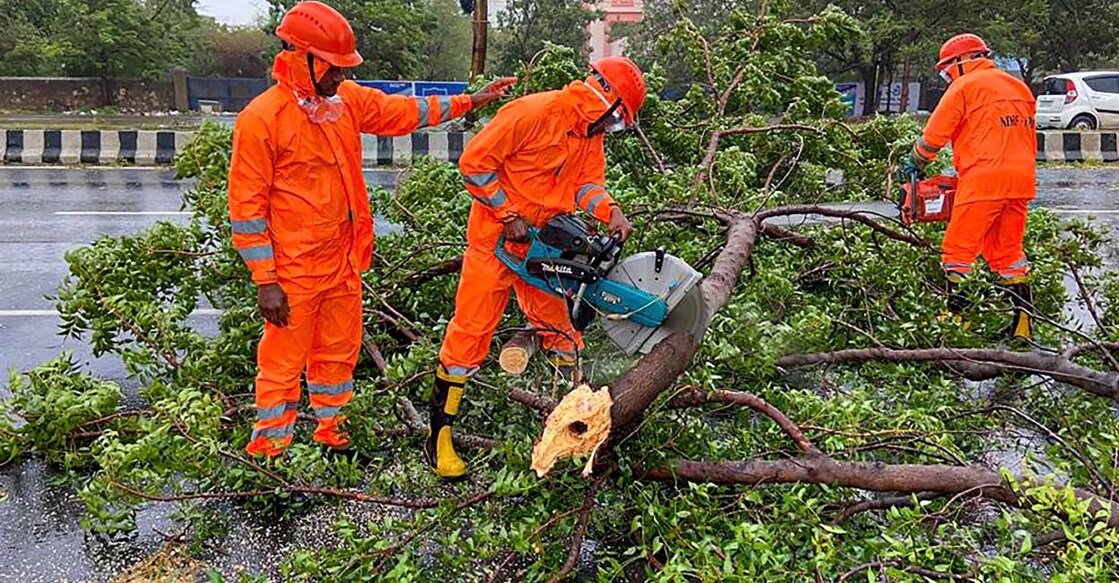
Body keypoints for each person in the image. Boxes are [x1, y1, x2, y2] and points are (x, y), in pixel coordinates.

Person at [228, 0, 514, 458]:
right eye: (336, 68)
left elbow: (403, 112)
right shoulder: (263, 120)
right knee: (282, 365)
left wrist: (469, 102)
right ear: (303, 57)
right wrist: (266, 282)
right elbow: (246, 208)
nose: (342, 77)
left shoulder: (343, 103)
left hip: (342, 262)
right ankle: (269, 456)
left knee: (338, 357)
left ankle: (334, 438)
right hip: (293, 273)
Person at [427, 56, 646, 479]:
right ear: (606, 99)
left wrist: (611, 211)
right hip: (496, 243)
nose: (613, 127)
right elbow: (474, 164)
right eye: (617, 119)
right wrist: (506, 212)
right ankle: (439, 439)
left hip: (543, 246)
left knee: (563, 333)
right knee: (469, 334)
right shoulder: (533, 112)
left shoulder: (589, 135)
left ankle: (572, 429)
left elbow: (587, 187)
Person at [905, 33, 1037, 340]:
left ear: (962, 61)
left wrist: (915, 161)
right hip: (1021, 181)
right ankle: (1023, 328)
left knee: (957, 252)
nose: (946, 74)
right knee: (1009, 255)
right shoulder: (1018, 85)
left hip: (983, 180)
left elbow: (934, 136)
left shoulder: (964, 86)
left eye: (946, 68)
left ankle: (956, 322)